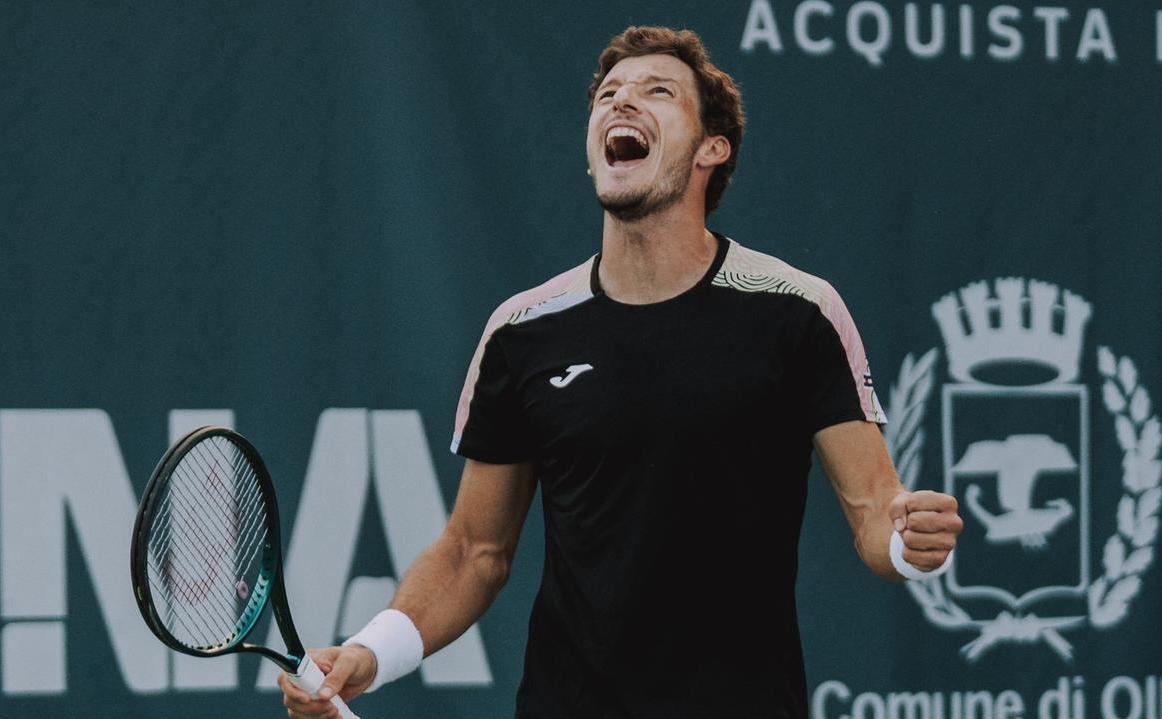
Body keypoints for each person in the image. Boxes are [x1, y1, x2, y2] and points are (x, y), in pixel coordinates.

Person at [279, 25, 962, 719]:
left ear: (710, 149)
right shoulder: (522, 332)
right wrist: (369, 650)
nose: (621, 104)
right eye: (608, 95)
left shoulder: (798, 312)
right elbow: (473, 550)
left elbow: (876, 507)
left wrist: (908, 544)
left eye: (657, 92)